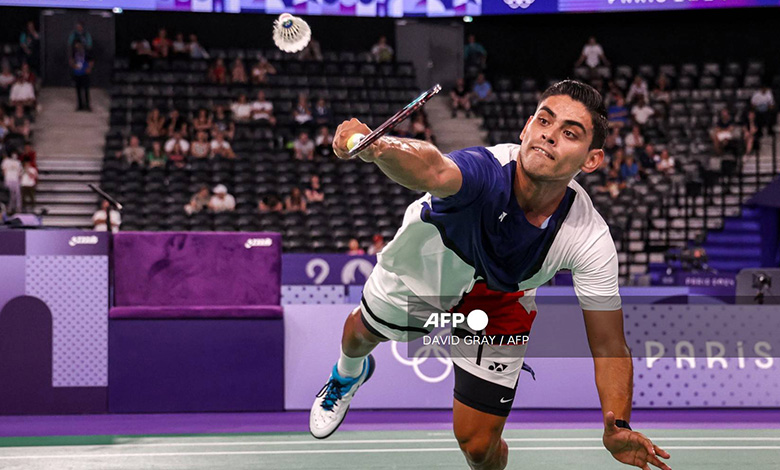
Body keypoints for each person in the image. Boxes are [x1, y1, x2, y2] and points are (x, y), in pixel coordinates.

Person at [309, 80, 671, 470]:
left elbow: (608, 343)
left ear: (591, 160)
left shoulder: (589, 236)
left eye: (569, 133)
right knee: (361, 334)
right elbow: (432, 167)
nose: (549, 135)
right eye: (544, 121)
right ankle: (347, 375)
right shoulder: (486, 170)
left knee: (479, 446)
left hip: (501, 298)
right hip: (431, 264)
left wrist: (616, 423)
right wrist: (379, 146)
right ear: (526, 127)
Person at [70, 40, 94, 111]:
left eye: (78, 45)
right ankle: (80, 105)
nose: (77, 46)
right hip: (77, 73)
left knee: (86, 90)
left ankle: (87, 105)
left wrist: (89, 68)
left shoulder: (86, 53)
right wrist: (73, 65)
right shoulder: (74, 52)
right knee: (78, 90)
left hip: (84, 73)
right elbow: (71, 60)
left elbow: (91, 61)